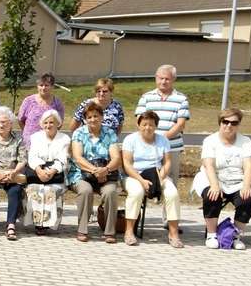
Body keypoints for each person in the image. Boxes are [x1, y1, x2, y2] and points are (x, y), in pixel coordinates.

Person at [193, 108, 251, 250]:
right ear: (220, 123)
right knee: (212, 195)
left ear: (238, 124)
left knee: (248, 199)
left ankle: (236, 236)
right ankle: (211, 235)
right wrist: (215, 185)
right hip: (213, 177)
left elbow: (249, 166)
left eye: (234, 123)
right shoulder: (210, 140)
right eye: (225, 122)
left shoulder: (245, 141)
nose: (229, 125)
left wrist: (246, 186)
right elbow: (208, 165)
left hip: (237, 180)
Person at [121, 110, 183, 248]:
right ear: (138, 125)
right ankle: (129, 232)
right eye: (144, 124)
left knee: (172, 193)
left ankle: (173, 234)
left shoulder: (163, 140)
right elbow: (127, 164)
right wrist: (142, 181)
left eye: (151, 125)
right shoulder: (130, 139)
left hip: (158, 175)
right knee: (136, 192)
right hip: (134, 176)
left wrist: (159, 179)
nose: (147, 128)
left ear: (156, 126)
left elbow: (167, 162)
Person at [67, 103, 121, 244]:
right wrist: (94, 170)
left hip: (106, 174)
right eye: (89, 117)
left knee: (110, 192)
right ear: (85, 119)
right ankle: (82, 229)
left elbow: (116, 158)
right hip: (81, 174)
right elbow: (78, 158)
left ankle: (109, 231)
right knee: (85, 190)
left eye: (96, 116)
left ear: (102, 117)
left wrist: (105, 170)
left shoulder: (110, 133)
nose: (93, 119)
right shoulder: (79, 133)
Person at [134, 65, 189, 189]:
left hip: (172, 146)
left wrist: (162, 139)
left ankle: (168, 202)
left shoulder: (181, 99)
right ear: (156, 78)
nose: (163, 81)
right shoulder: (146, 97)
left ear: (173, 79)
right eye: (161, 78)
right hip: (148, 146)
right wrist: (152, 138)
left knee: (170, 182)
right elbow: (139, 120)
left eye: (167, 79)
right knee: (146, 180)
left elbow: (180, 124)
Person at [0, 107, 27, 241]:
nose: (1, 125)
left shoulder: (18, 139)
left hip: (12, 174)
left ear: (10, 124)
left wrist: (14, 172)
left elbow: (22, 160)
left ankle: (11, 225)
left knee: (15, 191)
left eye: (4, 122)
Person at [24, 110, 70, 234]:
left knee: (50, 190)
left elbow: (63, 158)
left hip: (56, 174)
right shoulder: (35, 137)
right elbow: (32, 156)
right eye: (45, 123)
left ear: (58, 124)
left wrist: (51, 172)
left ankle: (47, 224)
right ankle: (38, 224)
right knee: (35, 189)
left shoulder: (65, 139)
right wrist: (40, 171)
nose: (48, 125)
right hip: (37, 172)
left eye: (51, 122)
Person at [18, 73, 66, 147]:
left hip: (48, 143)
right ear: (37, 86)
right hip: (29, 142)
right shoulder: (28, 101)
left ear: (52, 87)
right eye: (41, 85)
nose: (43, 88)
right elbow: (20, 120)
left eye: (46, 85)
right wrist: (27, 133)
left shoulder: (57, 103)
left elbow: (59, 123)